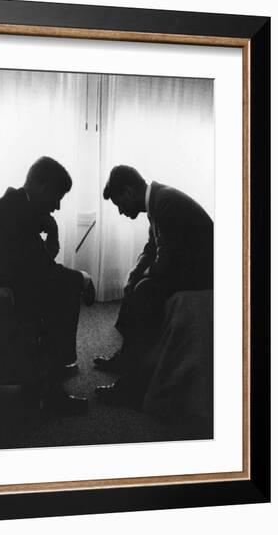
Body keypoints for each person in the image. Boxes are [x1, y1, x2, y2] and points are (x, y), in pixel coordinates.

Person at [0, 156, 95, 414]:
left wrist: (52, 237)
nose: (57, 207)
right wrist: (84, 278)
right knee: (67, 288)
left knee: (61, 285)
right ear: (43, 187)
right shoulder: (19, 217)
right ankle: (50, 389)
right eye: (57, 197)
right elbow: (43, 272)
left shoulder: (15, 206)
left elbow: (35, 267)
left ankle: (47, 375)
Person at [94, 165, 213, 406]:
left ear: (128, 192)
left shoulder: (166, 203)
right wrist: (135, 273)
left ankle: (133, 388)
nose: (120, 212)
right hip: (187, 264)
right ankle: (127, 357)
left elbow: (166, 260)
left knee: (144, 292)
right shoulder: (158, 201)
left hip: (204, 272)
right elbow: (152, 248)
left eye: (119, 204)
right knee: (136, 284)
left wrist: (143, 278)